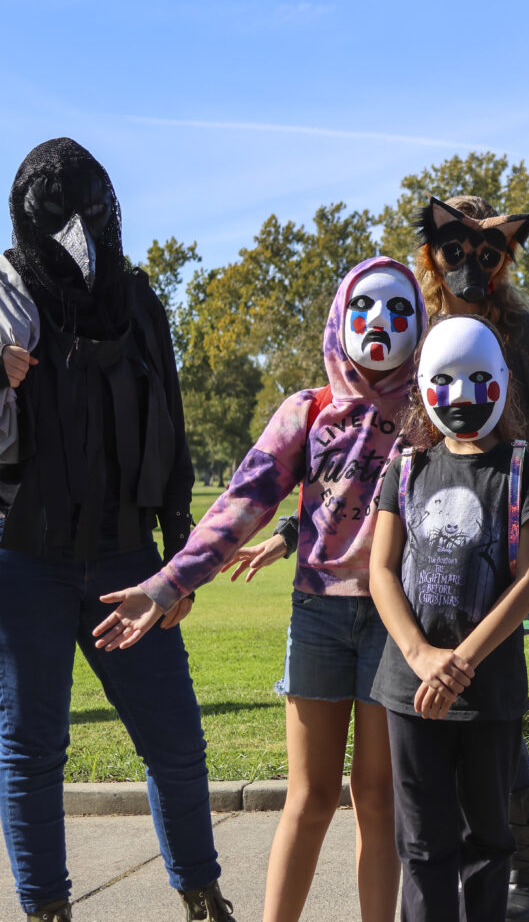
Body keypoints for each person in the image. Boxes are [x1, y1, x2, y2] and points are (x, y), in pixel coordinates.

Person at [245, 192, 529, 922]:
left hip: (504, 543)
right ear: (432, 252)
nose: (470, 266)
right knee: (420, 767)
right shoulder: (413, 330)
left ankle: (525, 872)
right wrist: (294, 533)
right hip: (414, 561)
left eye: (486, 253)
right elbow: (362, 460)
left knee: (494, 729)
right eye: (455, 251)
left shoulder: (519, 334)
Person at [92, 257, 427, 922]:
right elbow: (238, 507)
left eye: (398, 310)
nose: (380, 324)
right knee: (308, 797)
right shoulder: (309, 410)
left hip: (398, 622)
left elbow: (479, 489)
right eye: (365, 308)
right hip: (319, 620)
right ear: (339, 316)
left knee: (378, 797)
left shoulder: (429, 409)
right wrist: (166, 585)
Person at [0, 138, 234, 922]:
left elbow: (174, 424)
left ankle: (201, 896)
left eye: (87, 207)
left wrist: (180, 561)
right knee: (32, 747)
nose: (76, 226)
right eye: (56, 211)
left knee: (177, 741)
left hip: (125, 549)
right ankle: (46, 911)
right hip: (16, 546)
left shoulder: (136, 296)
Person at [369, 314, 529, 922]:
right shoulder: (405, 469)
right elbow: (380, 570)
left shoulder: (523, 469)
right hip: (411, 693)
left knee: (488, 841)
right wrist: (423, 657)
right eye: (446, 380)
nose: (462, 397)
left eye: (479, 379)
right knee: (423, 844)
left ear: (503, 382)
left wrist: (461, 662)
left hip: (490, 694)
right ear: (424, 384)